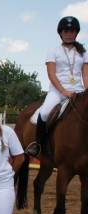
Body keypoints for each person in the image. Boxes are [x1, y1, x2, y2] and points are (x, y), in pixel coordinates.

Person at [26, 16, 88, 157]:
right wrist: (63, 91)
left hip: (78, 91)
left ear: (76, 33)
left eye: (72, 31)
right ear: (61, 33)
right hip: (58, 91)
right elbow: (52, 74)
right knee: (45, 112)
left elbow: (85, 76)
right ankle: (38, 144)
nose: (69, 33)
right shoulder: (53, 51)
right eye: (66, 31)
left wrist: (86, 93)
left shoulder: (83, 53)